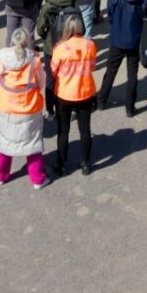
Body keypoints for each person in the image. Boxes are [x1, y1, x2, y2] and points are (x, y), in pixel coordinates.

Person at [0, 26, 48, 188]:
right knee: (32, 143)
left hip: (6, 105)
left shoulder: (2, 56)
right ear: (27, 41)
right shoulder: (34, 59)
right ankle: (37, 178)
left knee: (4, 141)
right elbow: (41, 82)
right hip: (29, 106)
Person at [97, 0, 147, 117]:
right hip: (135, 37)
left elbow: (111, 13)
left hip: (118, 37)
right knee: (132, 73)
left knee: (111, 70)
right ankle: (130, 107)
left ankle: (101, 101)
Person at [50, 13, 97, 175]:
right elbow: (92, 66)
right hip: (85, 91)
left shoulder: (60, 48)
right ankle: (85, 163)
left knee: (63, 131)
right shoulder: (90, 45)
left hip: (65, 94)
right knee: (85, 130)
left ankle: (61, 164)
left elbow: (54, 71)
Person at [35, 0, 78, 65]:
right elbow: (81, 28)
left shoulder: (48, 6)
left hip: (51, 46)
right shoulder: (74, 4)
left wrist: (45, 37)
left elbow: (40, 29)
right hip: (68, 47)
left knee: (50, 76)